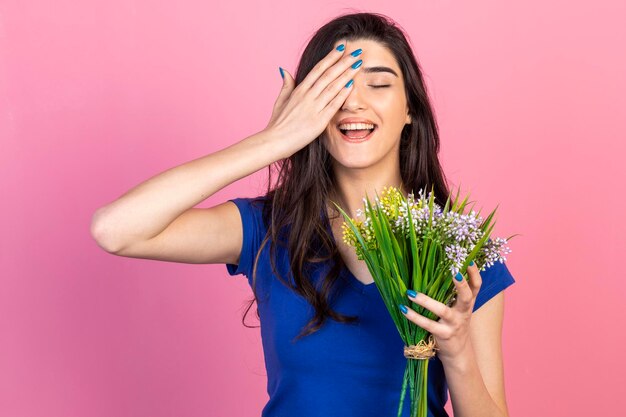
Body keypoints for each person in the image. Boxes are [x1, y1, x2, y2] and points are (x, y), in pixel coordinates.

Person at [91, 12, 515, 417]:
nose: (353, 102)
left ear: (410, 110)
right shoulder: (267, 229)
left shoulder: (461, 248)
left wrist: (457, 352)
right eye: (333, 88)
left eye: (378, 85)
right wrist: (275, 140)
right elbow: (116, 230)